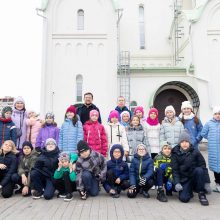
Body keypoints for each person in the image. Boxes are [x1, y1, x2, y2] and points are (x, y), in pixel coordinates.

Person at [171, 130, 210, 206]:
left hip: (194, 175)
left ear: (190, 143)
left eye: (186, 141)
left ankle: (201, 193)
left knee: (199, 170)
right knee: (184, 199)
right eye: (182, 142)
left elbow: (203, 166)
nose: (184, 144)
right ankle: (189, 190)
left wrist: (207, 183)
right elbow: (175, 170)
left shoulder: (195, 151)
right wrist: (177, 183)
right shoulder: (175, 153)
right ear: (179, 143)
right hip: (184, 179)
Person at [201, 106, 220, 193]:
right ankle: (218, 184)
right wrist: (210, 137)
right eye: (216, 114)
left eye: (219, 113)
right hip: (213, 149)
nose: (217, 115)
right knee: (216, 167)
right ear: (213, 115)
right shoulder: (209, 123)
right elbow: (203, 133)